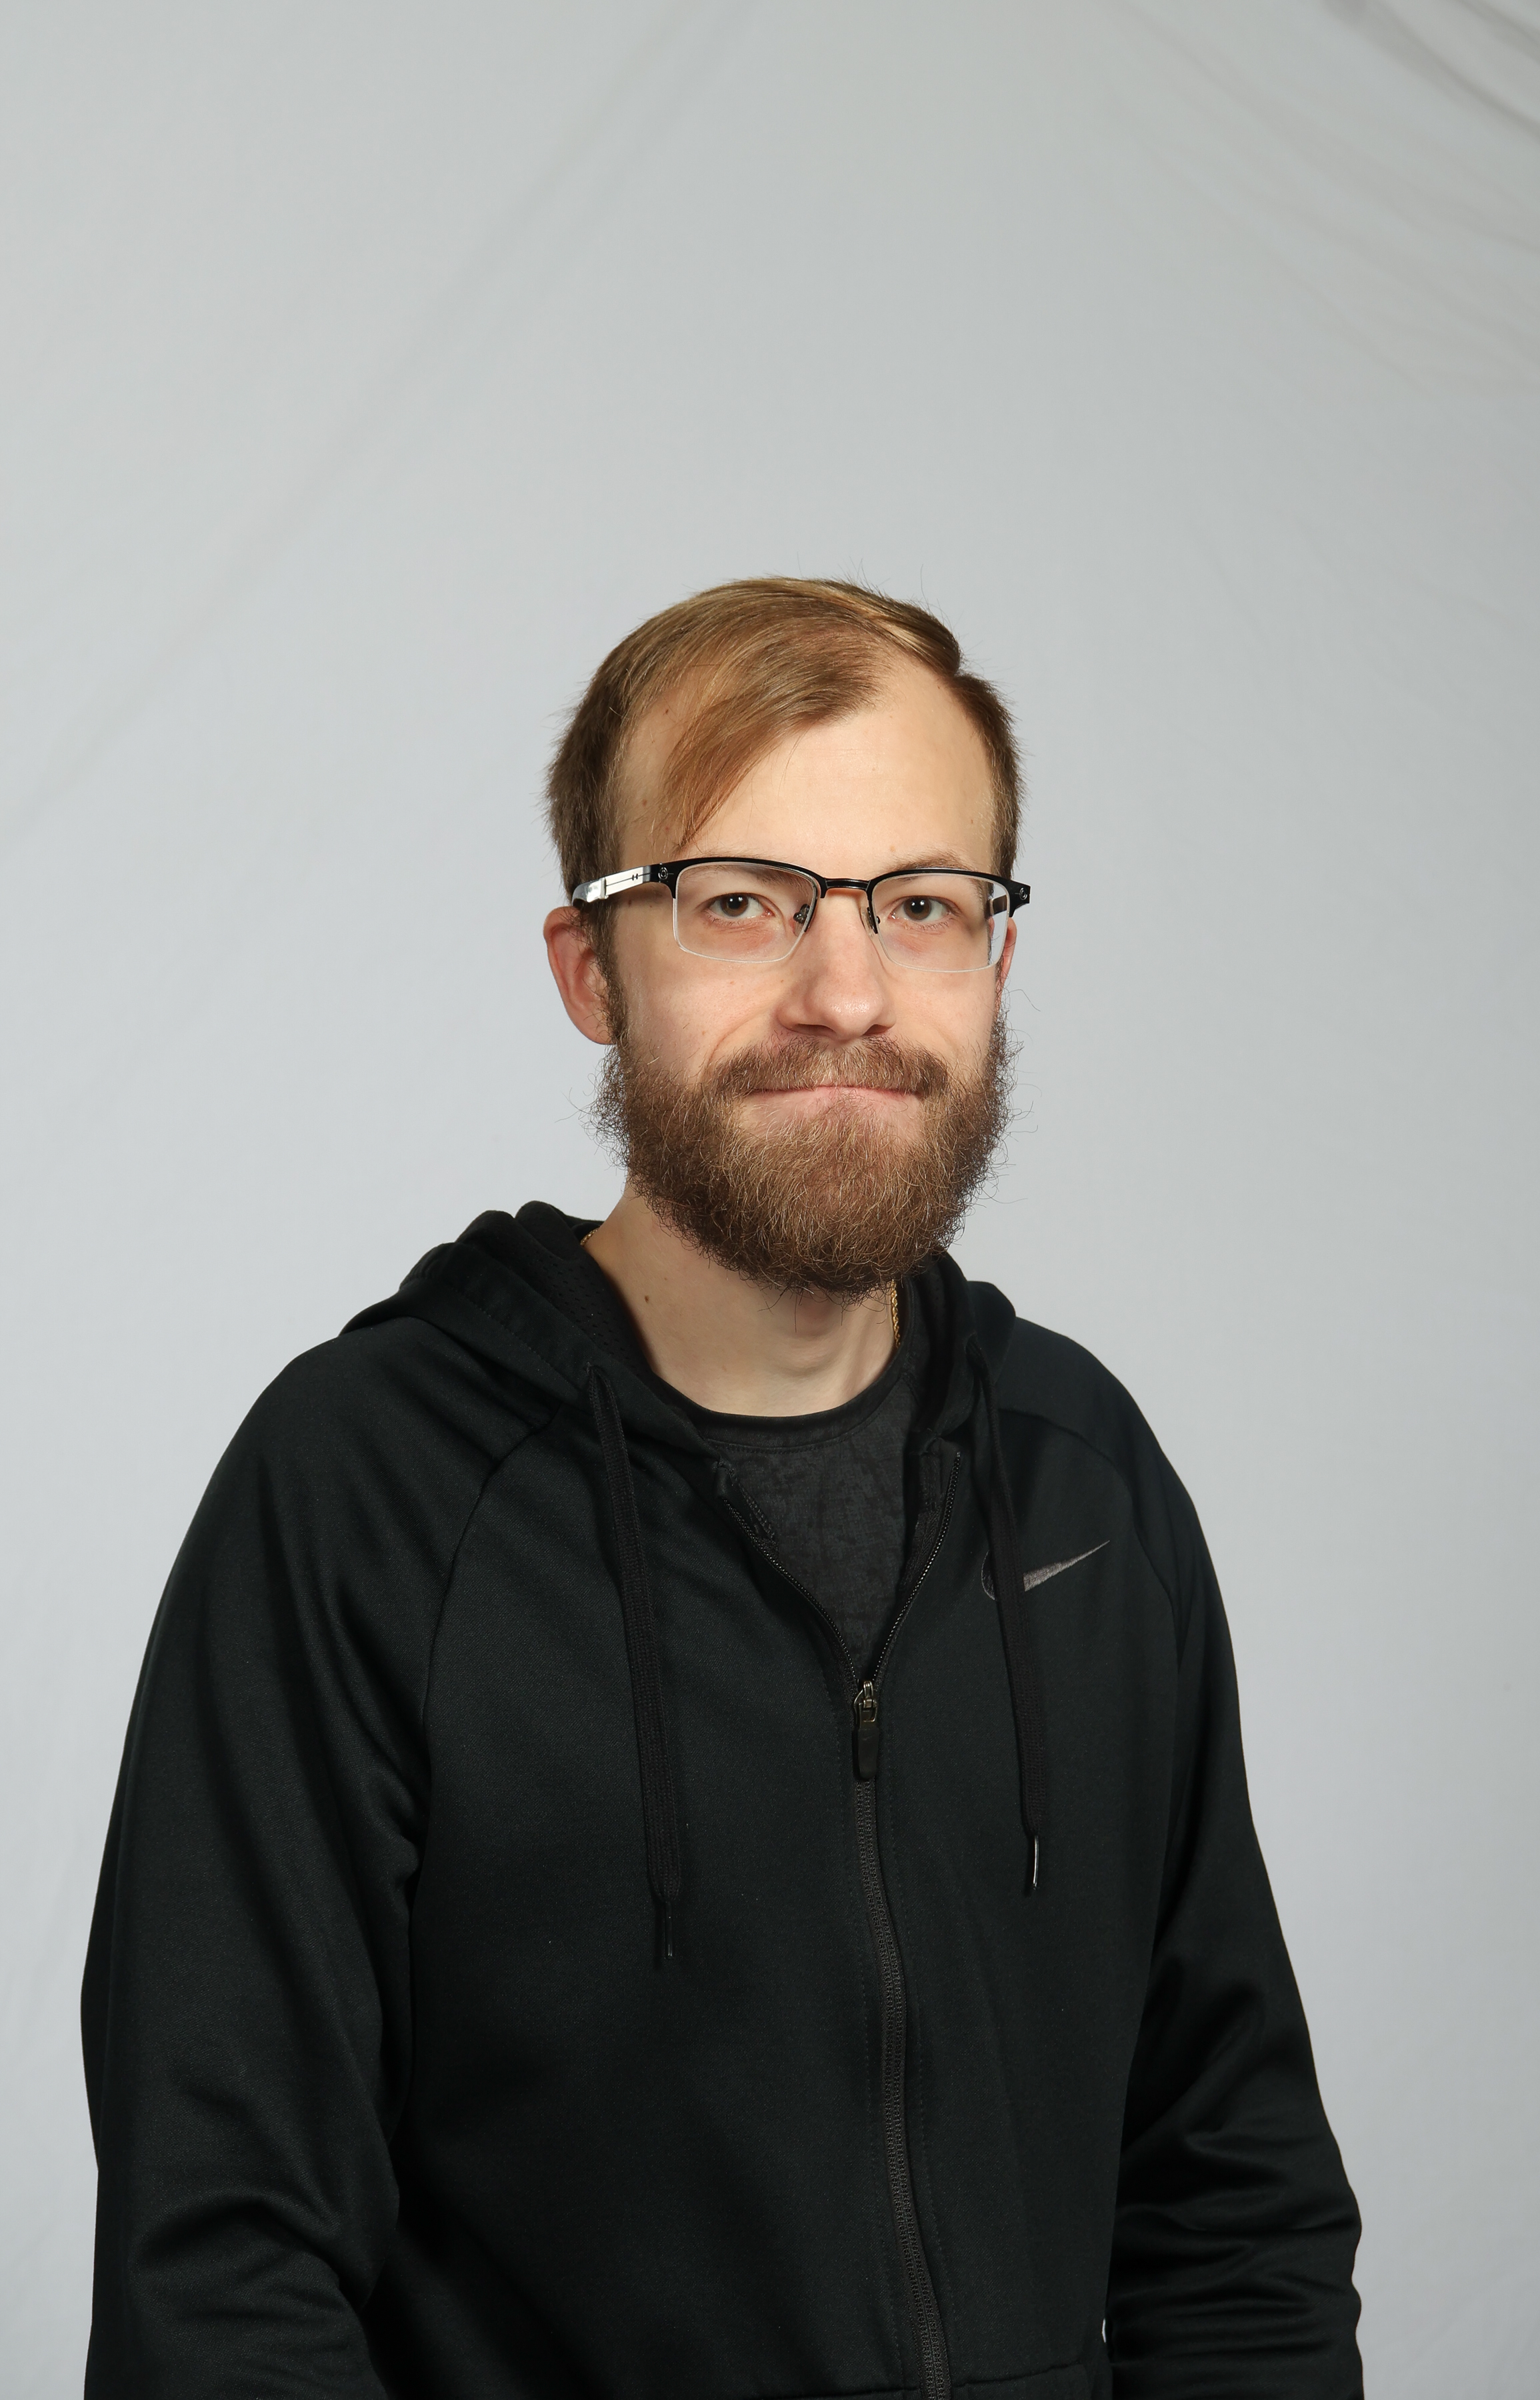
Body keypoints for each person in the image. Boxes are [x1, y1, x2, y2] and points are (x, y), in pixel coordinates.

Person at [83, 579, 1363, 2399]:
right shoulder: (365, 1495)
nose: (846, 994)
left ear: (994, 963)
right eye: (742, 903)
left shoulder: (1083, 1477)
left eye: (922, 905)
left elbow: (1234, 2205)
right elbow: (222, 2273)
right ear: (590, 970)